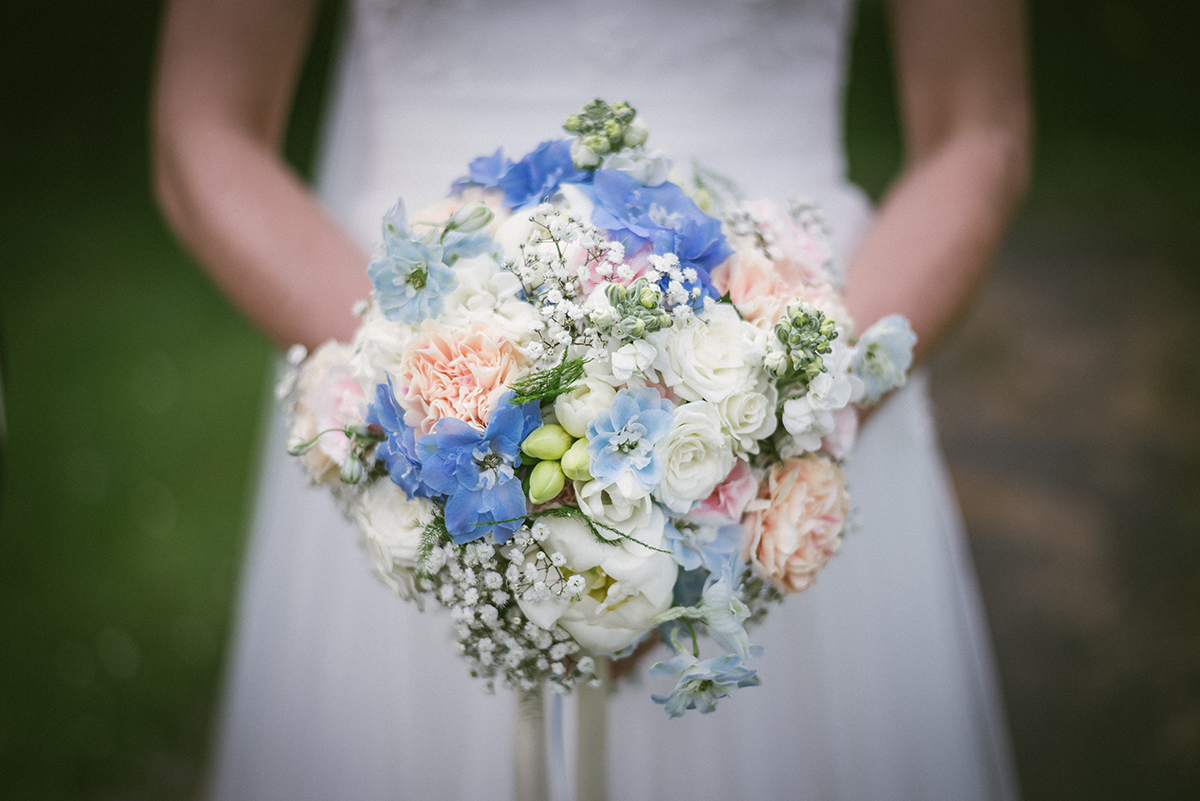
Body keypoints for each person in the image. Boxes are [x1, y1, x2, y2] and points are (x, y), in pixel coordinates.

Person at [153, 0, 1031, 798]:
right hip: (408, 383)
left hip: (799, 361)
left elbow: (976, 129)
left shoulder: (785, 414)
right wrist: (419, 405)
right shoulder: (421, 408)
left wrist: (786, 419)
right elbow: (203, 130)